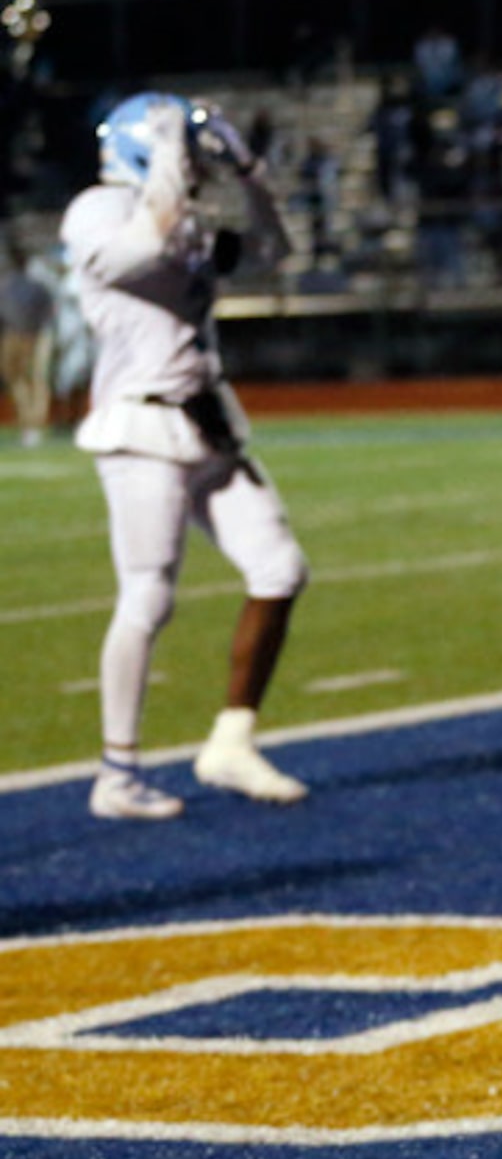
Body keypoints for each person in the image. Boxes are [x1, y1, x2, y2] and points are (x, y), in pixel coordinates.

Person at [60, 92, 310, 821]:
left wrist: (252, 173)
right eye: (187, 157)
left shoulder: (178, 207)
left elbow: (276, 250)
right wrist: (171, 142)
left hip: (207, 423)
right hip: (141, 432)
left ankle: (231, 741)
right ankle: (117, 773)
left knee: (280, 567)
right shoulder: (99, 211)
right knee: (148, 595)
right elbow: (151, 240)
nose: (197, 170)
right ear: (148, 148)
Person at [2, 234, 53, 445]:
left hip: (27, 335)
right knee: (26, 382)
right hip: (26, 335)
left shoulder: (11, 287)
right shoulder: (30, 286)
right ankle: (30, 423)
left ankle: (33, 424)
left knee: (31, 381)